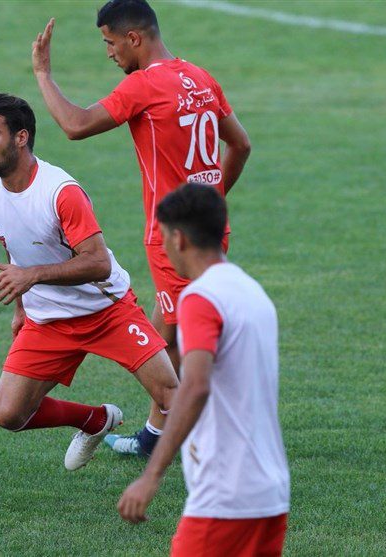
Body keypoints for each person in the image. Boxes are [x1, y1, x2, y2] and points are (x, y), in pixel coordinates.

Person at [32, 0, 252, 457]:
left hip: (174, 240)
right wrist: (211, 201)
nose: (109, 53)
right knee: (165, 335)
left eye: (110, 43)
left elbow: (74, 126)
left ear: (134, 38)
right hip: (212, 229)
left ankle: (216, 438)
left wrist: (43, 76)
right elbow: (241, 144)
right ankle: (155, 436)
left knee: (177, 339)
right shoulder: (200, 76)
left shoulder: (144, 86)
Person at [0, 93, 179, 471]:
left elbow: (98, 263)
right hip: (47, 319)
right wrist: (21, 306)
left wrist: (31, 277)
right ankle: (94, 420)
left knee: (171, 393)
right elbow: (15, 249)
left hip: (107, 310)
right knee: (9, 414)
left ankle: (221, 470)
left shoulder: (61, 193)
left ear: (21, 137)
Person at [116, 183, 290, 556]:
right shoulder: (252, 291)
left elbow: (194, 386)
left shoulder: (199, 298)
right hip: (270, 491)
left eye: (162, 237)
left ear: (179, 239)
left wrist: (151, 475)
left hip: (226, 495)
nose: (161, 248)